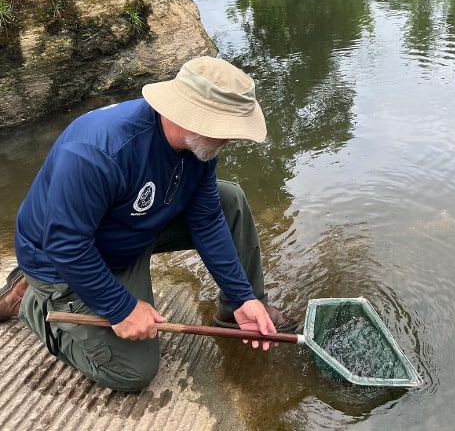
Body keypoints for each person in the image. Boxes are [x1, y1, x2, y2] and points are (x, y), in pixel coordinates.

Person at [0, 56, 297, 392]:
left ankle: (237, 312)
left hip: (130, 230)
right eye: (228, 129)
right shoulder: (97, 152)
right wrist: (120, 307)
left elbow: (208, 218)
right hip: (63, 258)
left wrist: (242, 296)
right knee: (133, 371)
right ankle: (35, 303)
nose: (233, 139)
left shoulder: (198, 148)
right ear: (193, 117)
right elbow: (65, 245)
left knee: (230, 200)